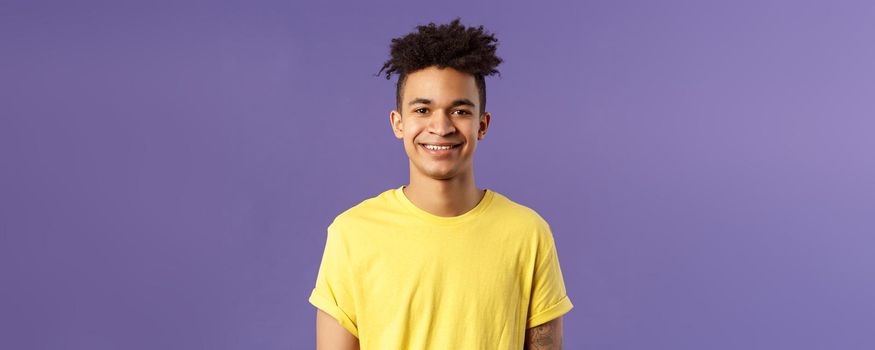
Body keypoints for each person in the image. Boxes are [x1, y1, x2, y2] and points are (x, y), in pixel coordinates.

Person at [308, 18, 573, 349]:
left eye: (460, 111)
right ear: (398, 123)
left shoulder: (528, 233)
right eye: (422, 109)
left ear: (483, 124)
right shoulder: (352, 234)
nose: (441, 126)